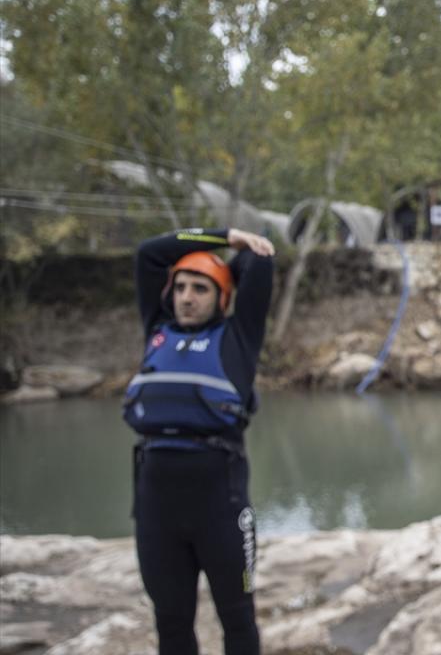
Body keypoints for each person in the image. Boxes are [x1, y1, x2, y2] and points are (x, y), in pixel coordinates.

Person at [125, 226, 275, 654]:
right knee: (171, 623)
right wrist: (222, 236)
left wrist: (236, 252)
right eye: (180, 287)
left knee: (238, 619)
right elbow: (150, 252)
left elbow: (259, 260)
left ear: (223, 297)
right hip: (156, 508)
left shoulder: (237, 340)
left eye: (201, 288)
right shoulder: (157, 329)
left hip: (221, 508)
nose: (187, 298)